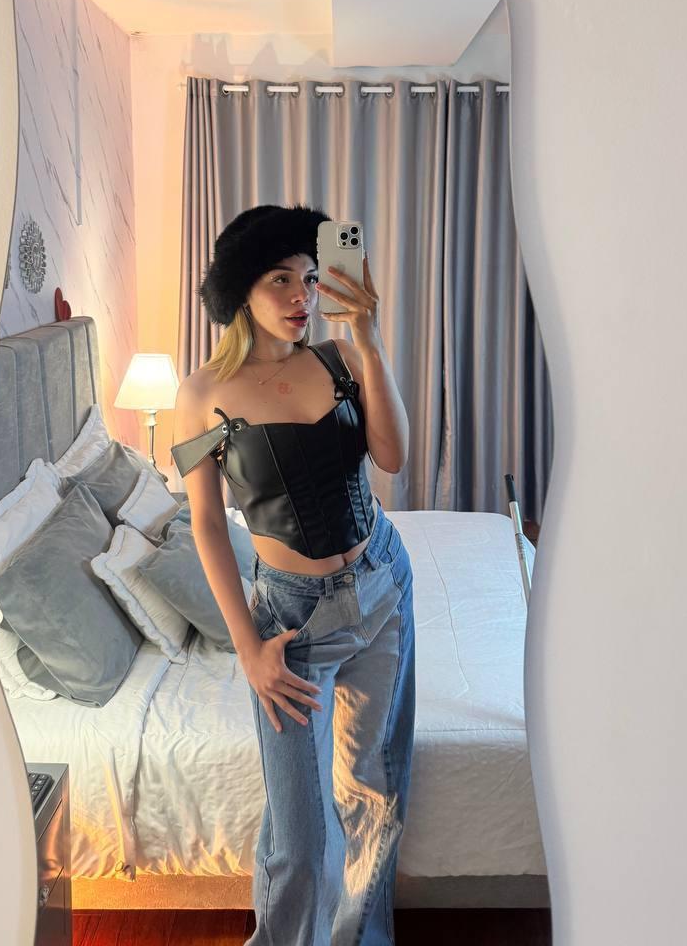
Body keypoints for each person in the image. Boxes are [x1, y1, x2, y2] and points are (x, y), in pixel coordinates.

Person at [172, 202, 416, 946]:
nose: (301, 295)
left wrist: (370, 339)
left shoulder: (340, 359)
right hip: (293, 624)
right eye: (279, 278)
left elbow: (393, 458)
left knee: (375, 794)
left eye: (310, 277)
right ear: (241, 291)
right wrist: (247, 648)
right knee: (301, 840)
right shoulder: (201, 396)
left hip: (381, 585)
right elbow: (206, 524)